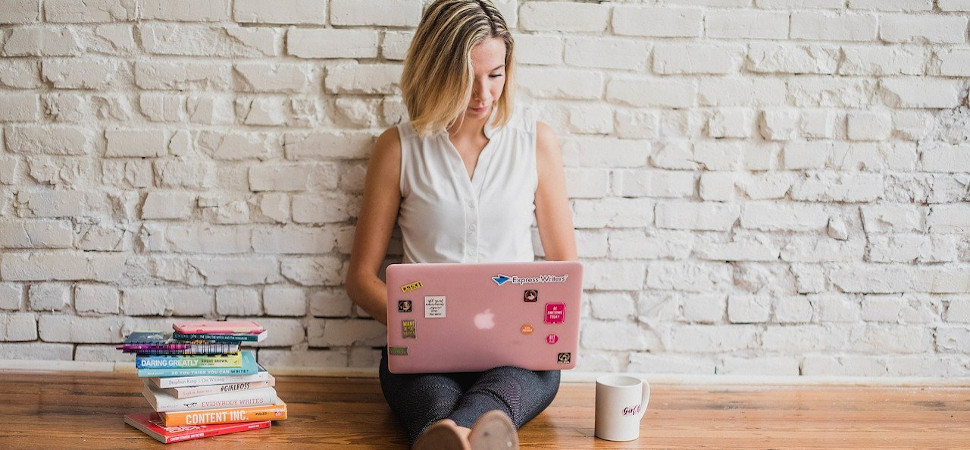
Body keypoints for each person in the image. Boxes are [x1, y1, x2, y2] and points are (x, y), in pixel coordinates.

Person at [344, 1, 577, 448]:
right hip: (423, 356)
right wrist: (420, 327)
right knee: (432, 398)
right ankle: (467, 436)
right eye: (467, 79)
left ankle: (451, 436)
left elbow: (564, 269)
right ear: (435, 71)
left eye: (495, 75)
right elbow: (359, 280)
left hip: (518, 358)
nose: (484, 96)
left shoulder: (535, 142)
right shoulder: (398, 147)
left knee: (497, 395)